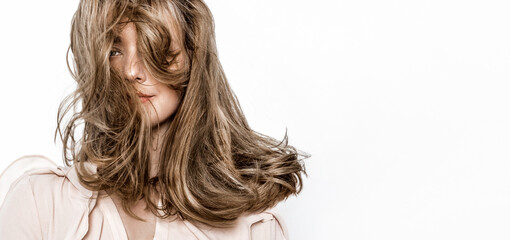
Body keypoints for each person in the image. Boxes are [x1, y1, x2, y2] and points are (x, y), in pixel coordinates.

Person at [0, 0, 308, 239]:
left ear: (192, 54)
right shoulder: (39, 204)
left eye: (155, 45)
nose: (132, 70)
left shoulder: (253, 227)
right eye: (114, 50)